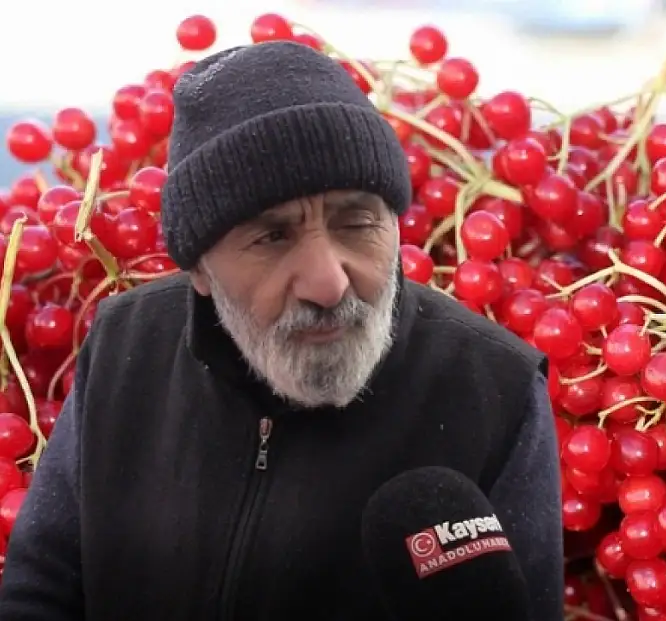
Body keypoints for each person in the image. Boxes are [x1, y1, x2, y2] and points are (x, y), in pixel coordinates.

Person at [0, 41, 564, 620]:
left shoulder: (496, 389)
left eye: (358, 222)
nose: (328, 283)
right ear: (198, 266)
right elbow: (41, 590)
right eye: (271, 237)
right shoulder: (127, 345)